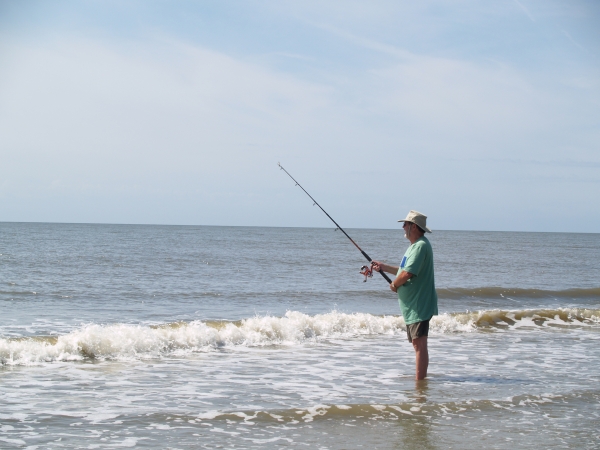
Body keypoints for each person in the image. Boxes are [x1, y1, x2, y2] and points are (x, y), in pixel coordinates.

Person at [372, 210, 438, 380]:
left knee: (419, 344)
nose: (403, 227)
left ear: (414, 227)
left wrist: (394, 284)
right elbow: (403, 270)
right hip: (413, 305)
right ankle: (420, 381)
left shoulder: (421, 246)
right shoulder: (414, 247)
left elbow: (407, 274)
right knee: (417, 344)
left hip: (419, 304)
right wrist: (384, 267)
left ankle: (420, 384)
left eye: (406, 224)